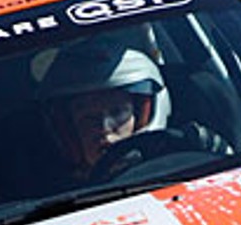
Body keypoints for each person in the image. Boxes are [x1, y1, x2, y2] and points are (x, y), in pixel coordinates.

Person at [34, 41, 230, 184]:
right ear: (69, 130)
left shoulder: (197, 149)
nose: (104, 128)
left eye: (117, 112)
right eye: (88, 119)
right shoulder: (50, 199)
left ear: (143, 114)